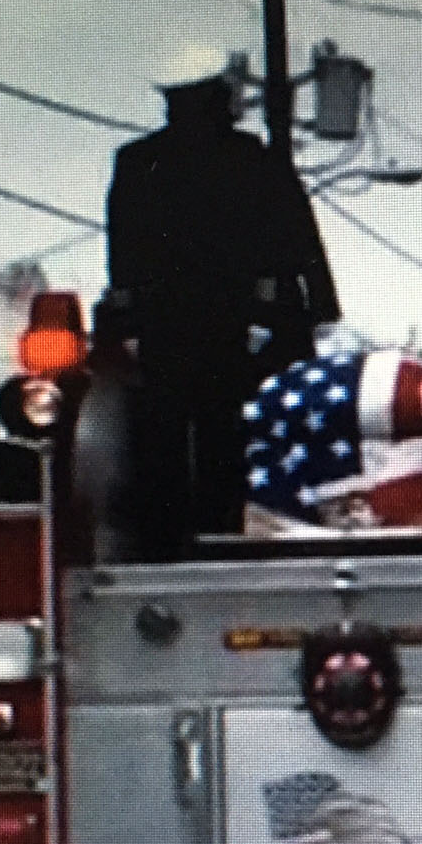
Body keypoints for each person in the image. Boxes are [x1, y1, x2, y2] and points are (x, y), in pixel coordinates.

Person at [104, 46, 341, 557]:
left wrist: (128, 322)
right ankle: (230, 529)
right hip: (241, 324)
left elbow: (121, 251)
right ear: (219, 95)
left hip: (166, 326)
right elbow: (297, 238)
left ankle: (167, 540)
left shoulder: (137, 162)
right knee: (233, 432)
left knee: (165, 434)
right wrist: (318, 306)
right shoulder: (252, 159)